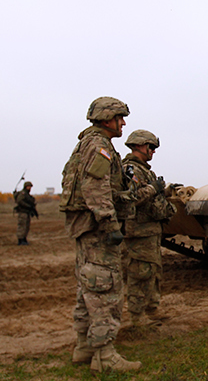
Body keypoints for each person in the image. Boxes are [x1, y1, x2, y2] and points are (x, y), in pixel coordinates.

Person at [59, 96, 141, 372]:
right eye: (120, 118)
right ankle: (105, 357)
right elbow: (96, 187)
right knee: (106, 289)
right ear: (107, 119)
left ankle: (83, 347)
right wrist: (110, 224)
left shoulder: (87, 143)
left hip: (86, 226)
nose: (123, 123)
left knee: (88, 288)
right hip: (97, 229)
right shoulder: (99, 146)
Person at [122, 129, 177, 327]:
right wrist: (155, 188)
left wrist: (167, 190)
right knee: (139, 274)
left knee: (153, 272)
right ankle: (137, 317)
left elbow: (151, 195)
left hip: (149, 232)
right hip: (138, 232)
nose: (153, 151)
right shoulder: (130, 170)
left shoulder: (144, 170)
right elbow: (131, 199)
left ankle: (152, 309)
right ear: (138, 146)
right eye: (150, 147)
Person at [14, 181, 37, 245]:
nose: (30, 188)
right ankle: (20, 240)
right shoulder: (23, 194)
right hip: (22, 212)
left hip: (27, 212)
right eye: (29, 186)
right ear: (26, 187)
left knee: (26, 226)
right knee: (22, 226)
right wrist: (27, 206)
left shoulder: (27, 195)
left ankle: (24, 238)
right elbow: (20, 201)